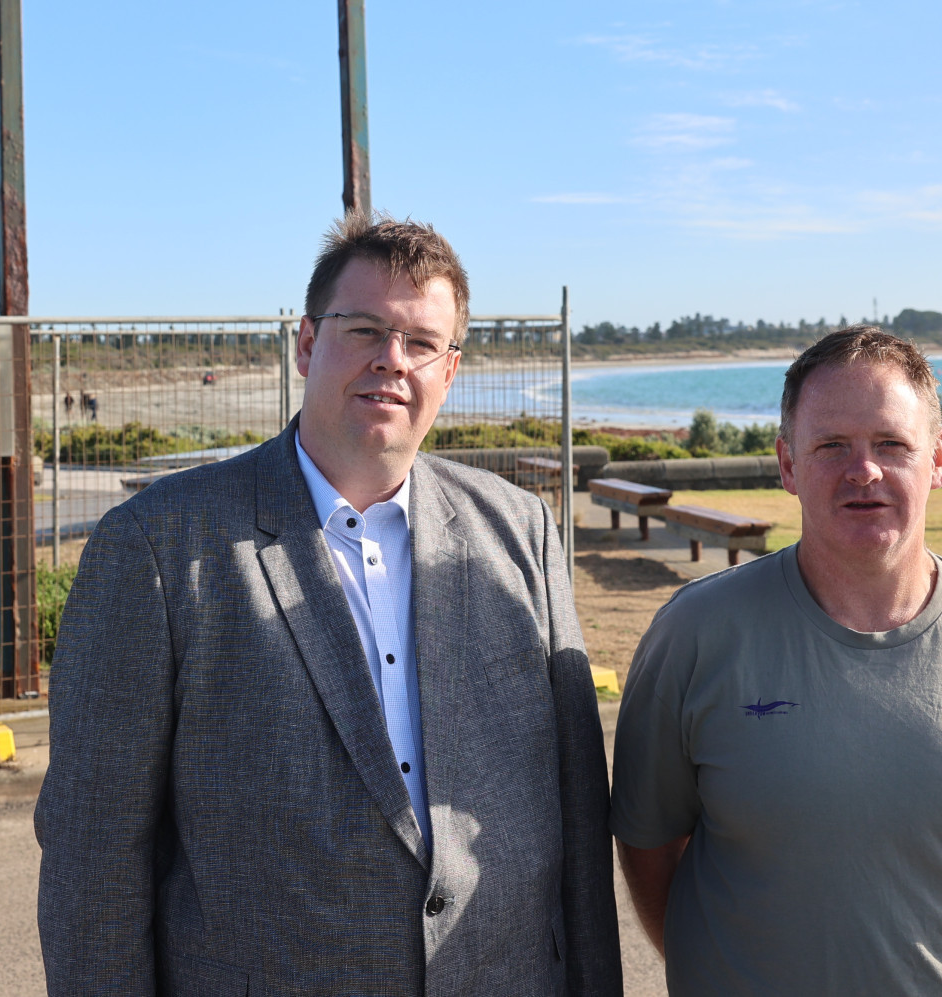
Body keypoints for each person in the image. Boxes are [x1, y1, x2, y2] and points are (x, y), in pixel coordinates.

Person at [36, 215, 620, 996]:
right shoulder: (156, 547)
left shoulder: (522, 532)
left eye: (421, 342)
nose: (392, 359)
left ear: (450, 371)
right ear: (307, 344)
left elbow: (580, 822)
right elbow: (93, 857)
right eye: (366, 329)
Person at [611, 326, 942, 995]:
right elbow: (649, 846)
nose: (863, 469)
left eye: (892, 444)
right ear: (788, 463)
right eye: (831, 445)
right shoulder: (695, 636)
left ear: (938, 458)